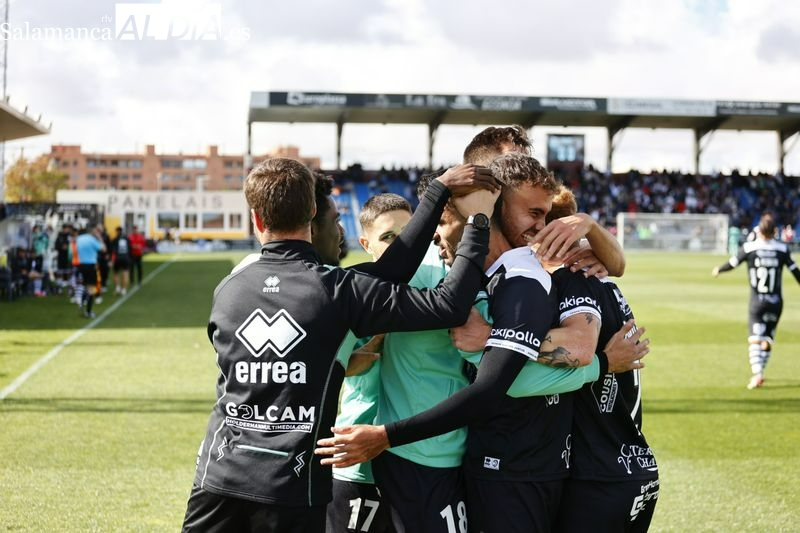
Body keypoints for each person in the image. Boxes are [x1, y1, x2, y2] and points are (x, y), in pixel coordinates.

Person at [316, 154, 649, 533]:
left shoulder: (517, 273)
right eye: (530, 212)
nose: (538, 226)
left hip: (464, 457)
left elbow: (532, 363)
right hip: (410, 458)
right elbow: (502, 381)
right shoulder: (436, 270)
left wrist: (589, 228)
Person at [181, 157, 498, 533]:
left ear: (257, 219)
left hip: (218, 476)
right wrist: (476, 221)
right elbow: (445, 303)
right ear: (313, 211)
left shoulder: (230, 285)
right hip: (291, 485)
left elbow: (390, 269)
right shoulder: (336, 291)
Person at [542, 186, 659, 532]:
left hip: (598, 478)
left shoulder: (574, 283)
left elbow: (575, 350)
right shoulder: (602, 279)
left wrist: (499, 338)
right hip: (630, 465)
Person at [326, 193, 413, 533]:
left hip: (417, 459)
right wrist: (374, 343)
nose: (401, 246)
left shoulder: (440, 290)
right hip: (358, 459)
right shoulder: (348, 293)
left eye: (408, 236)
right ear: (366, 243)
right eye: (388, 237)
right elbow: (329, 366)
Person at [712, 211, 800, 389]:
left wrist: (718, 270)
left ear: (759, 231)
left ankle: (757, 373)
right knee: (766, 339)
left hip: (758, 302)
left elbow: (733, 263)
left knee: (754, 339)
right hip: (776, 302)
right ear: (775, 232)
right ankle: (762, 363)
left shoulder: (750, 248)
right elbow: (796, 271)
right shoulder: (782, 249)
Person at [75, 225, 106, 318]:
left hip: (80, 265)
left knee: (84, 285)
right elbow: (103, 249)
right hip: (91, 265)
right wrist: (100, 238)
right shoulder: (92, 240)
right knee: (91, 288)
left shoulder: (78, 239)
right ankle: (88, 311)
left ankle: (82, 301)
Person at [110, 226, 131, 295]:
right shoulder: (127, 239)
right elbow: (130, 249)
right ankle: (124, 289)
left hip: (118, 258)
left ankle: (117, 288)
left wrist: (112, 260)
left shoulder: (115, 239)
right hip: (125, 257)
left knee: (116, 273)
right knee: (125, 273)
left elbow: (113, 250)